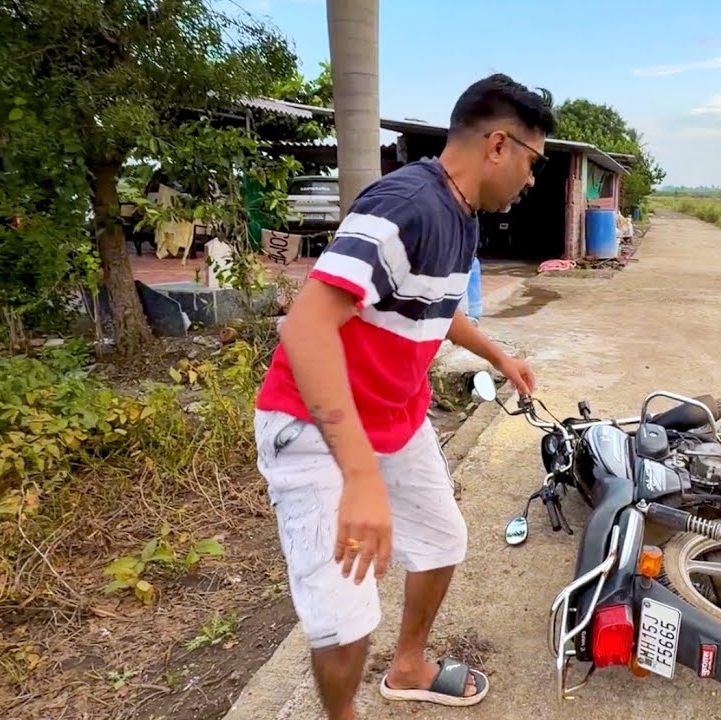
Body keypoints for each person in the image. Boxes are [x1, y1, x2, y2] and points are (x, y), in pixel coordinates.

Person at [252, 74, 553, 719]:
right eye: (534, 159)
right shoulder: (405, 204)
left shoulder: (461, 217)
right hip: (314, 426)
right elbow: (305, 325)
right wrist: (360, 477)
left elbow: (437, 306)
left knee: (443, 540)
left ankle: (410, 664)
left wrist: (499, 354)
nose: (532, 179)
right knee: (346, 611)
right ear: (498, 145)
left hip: (394, 417)